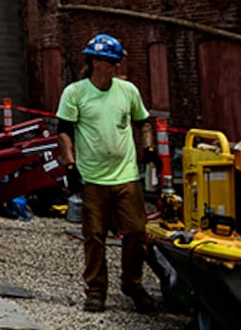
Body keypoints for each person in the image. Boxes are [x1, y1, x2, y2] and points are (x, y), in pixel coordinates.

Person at [55, 33, 157, 314]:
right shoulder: (75, 93)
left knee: (136, 230)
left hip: (125, 175)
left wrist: (148, 149)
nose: (117, 67)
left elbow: (143, 122)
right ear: (98, 62)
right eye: (113, 62)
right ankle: (96, 290)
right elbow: (64, 131)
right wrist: (71, 166)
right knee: (95, 236)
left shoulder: (128, 91)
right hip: (93, 178)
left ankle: (133, 284)